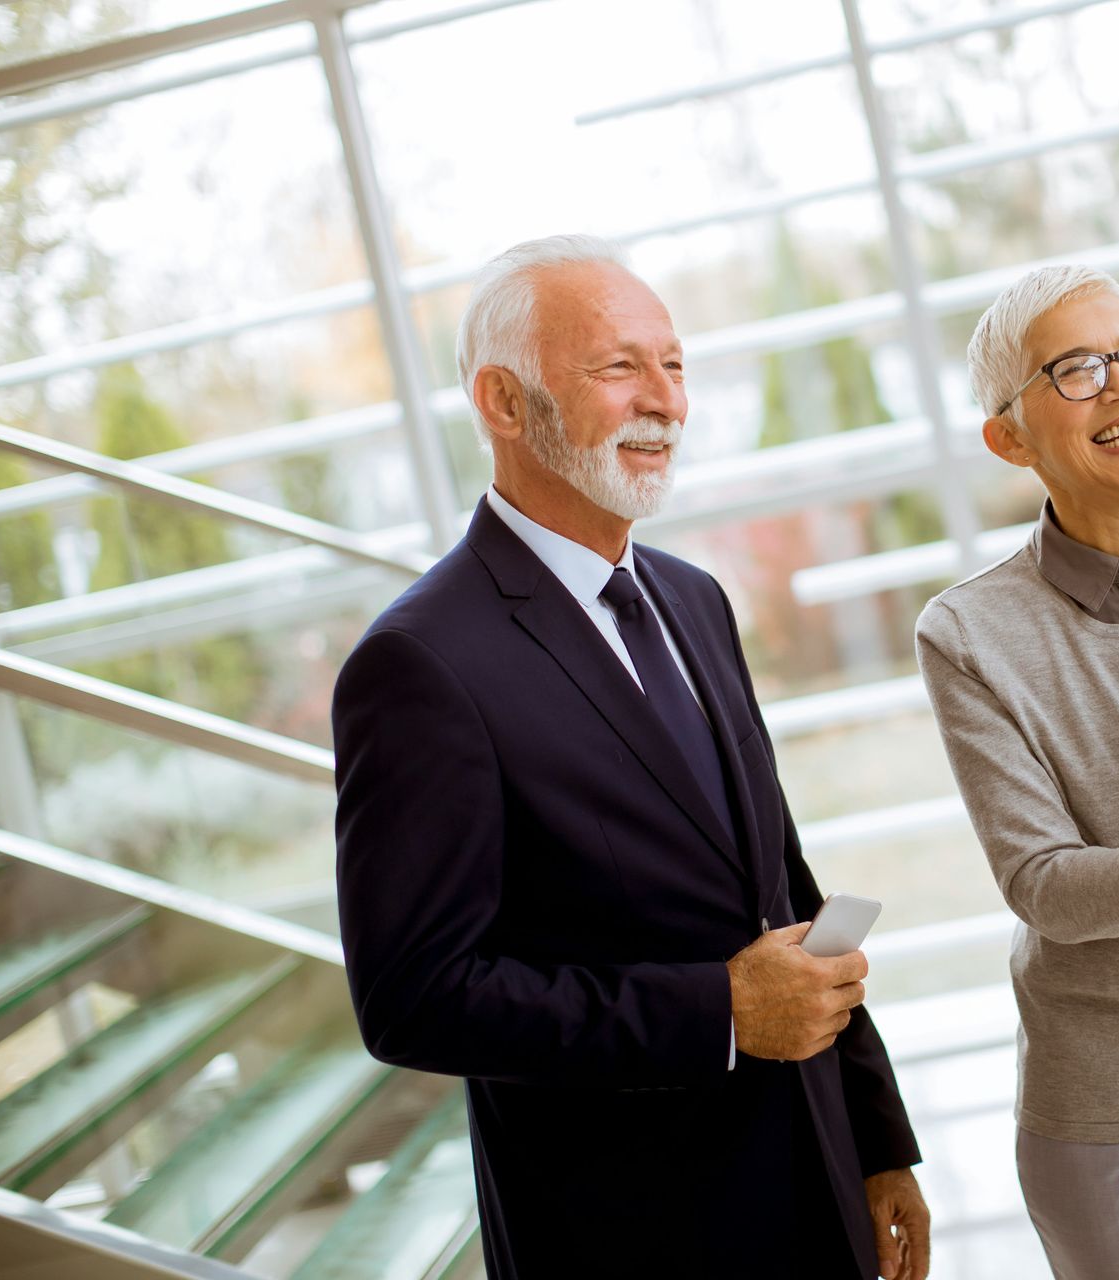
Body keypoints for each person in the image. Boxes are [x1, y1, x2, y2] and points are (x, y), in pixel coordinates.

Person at [332, 234, 930, 1280]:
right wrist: (718, 1013)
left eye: (677, 364)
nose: (667, 401)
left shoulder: (694, 597)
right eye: (620, 367)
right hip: (626, 1232)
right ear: (504, 403)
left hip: (814, 1179)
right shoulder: (421, 663)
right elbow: (415, 992)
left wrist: (878, 1136)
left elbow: (782, 883)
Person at [915, 265, 1119, 1279]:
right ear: (1008, 436)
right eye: (1075, 368)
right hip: (1113, 1126)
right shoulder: (970, 631)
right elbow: (1044, 883)